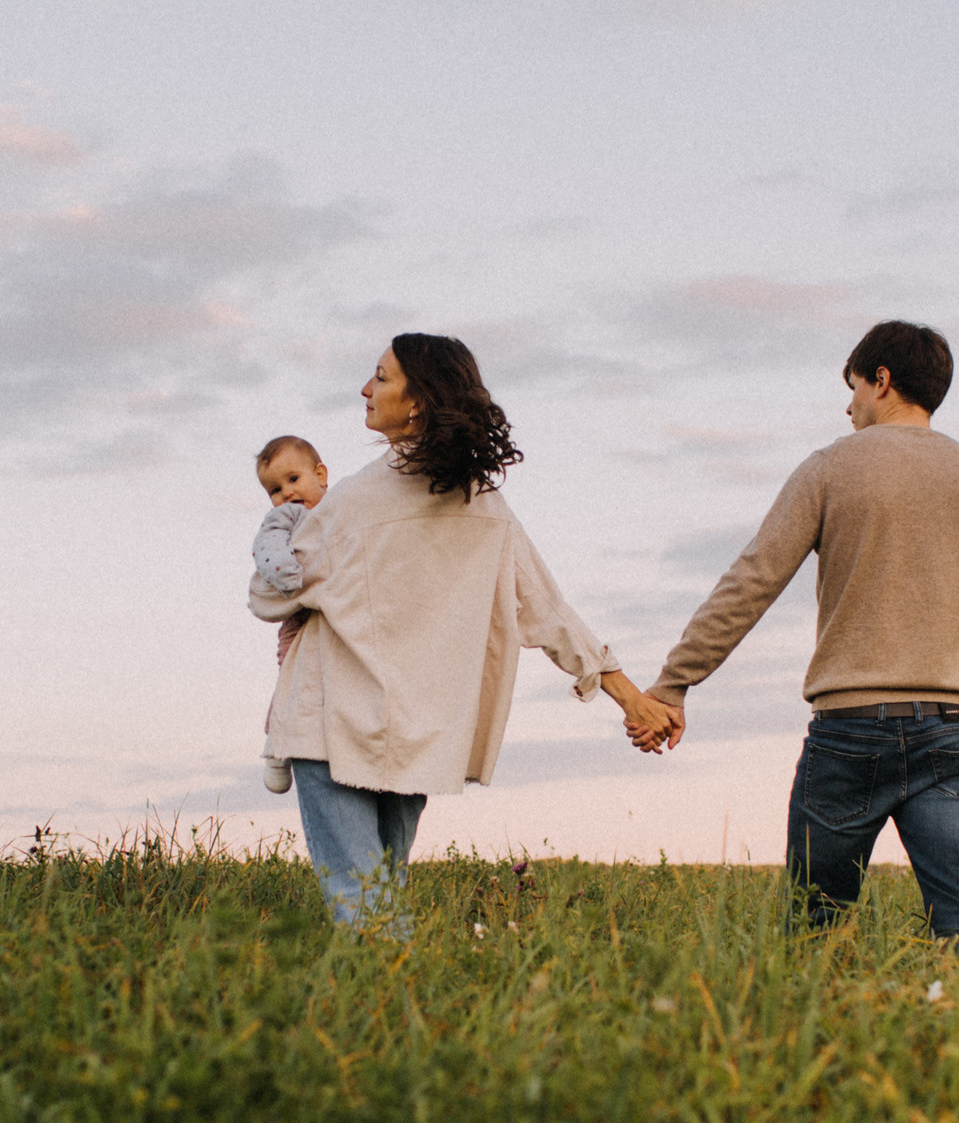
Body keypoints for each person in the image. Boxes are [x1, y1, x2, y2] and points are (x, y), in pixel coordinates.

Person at [250, 333, 680, 927]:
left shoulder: (351, 503)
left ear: (418, 400)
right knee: (383, 895)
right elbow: (548, 609)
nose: (365, 389)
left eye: (380, 377)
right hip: (416, 730)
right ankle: (410, 1011)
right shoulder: (486, 506)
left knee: (360, 903)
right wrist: (631, 698)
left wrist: (277, 536)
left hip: (331, 722)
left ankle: (389, 1013)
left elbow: (269, 595)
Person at [638, 320, 959, 947]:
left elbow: (752, 581)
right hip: (954, 737)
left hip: (848, 736)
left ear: (881, 381)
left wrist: (673, 683)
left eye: (853, 386)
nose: (848, 404)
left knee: (812, 931)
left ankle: (812, 1039)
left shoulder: (829, 468)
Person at [248, 434, 328, 794]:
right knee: (290, 676)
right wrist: (286, 571)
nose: (286, 493)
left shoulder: (341, 508)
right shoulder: (287, 516)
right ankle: (277, 748)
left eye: (293, 479)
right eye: (274, 489)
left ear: (320, 474)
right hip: (296, 614)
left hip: (331, 612)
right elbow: (266, 547)